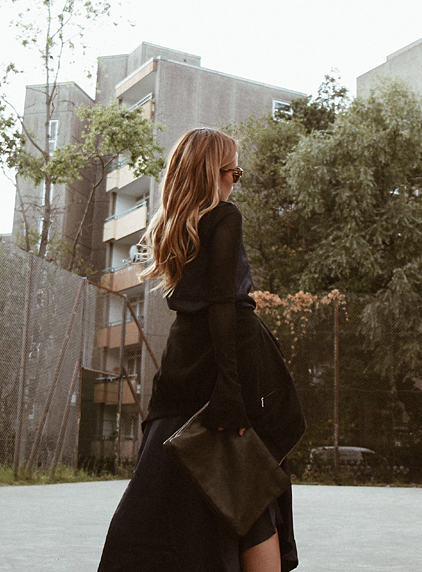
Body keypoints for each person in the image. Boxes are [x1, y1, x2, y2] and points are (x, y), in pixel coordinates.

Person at [97, 128, 303, 572]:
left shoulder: (173, 226)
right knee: (249, 485)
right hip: (230, 358)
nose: (235, 182)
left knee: (166, 487)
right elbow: (223, 302)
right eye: (233, 172)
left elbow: (207, 305)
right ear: (214, 173)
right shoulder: (224, 216)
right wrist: (230, 386)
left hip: (183, 360)